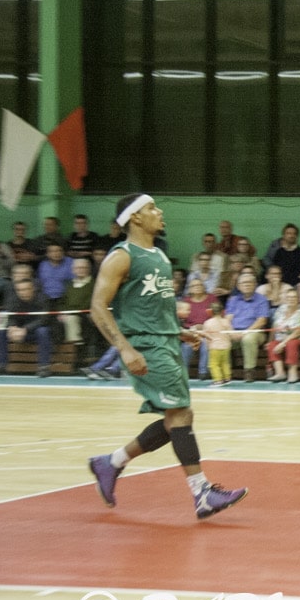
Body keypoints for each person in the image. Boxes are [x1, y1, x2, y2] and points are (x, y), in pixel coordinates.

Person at [86, 194, 247, 520]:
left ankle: (112, 462)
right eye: (151, 208)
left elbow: (154, 307)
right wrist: (125, 348)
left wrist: (180, 331)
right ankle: (202, 493)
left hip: (167, 343)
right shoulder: (121, 256)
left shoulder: (159, 255)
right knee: (181, 414)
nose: (159, 212)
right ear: (135, 218)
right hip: (144, 347)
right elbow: (97, 307)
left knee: (177, 417)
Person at [0, 278, 57, 377]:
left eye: (25, 289)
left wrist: (25, 329)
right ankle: (1, 366)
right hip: (19, 332)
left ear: (33, 288)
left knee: (43, 331)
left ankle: (44, 367)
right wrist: (13, 327)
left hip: (37, 331)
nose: (22, 292)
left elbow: (44, 320)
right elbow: (10, 316)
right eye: (19, 290)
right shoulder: (14, 300)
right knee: (1, 331)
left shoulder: (43, 299)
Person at [266, 287, 300, 384]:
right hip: (281, 338)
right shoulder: (280, 310)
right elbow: (274, 326)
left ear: (298, 299)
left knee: (291, 344)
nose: (291, 299)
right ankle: (280, 373)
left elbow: (299, 331)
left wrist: (283, 343)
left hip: (299, 338)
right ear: (285, 299)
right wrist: (269, 341)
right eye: (289, 297)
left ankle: (292, 373)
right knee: (272, 344)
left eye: (294, 297)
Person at [201, 298, 233, 386]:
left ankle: (218, 380)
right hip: (226, 346)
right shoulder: (226, 321)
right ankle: (227, 378)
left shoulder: (208, 323)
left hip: (214, 347)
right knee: (225, 363)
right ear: (222, 311)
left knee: (214, 364)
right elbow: (231, 333)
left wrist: (208, 346)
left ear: (210, 311)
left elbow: (206, 336)